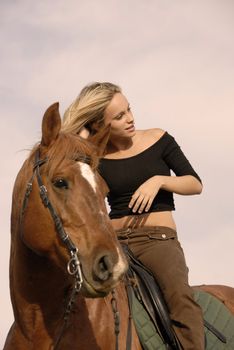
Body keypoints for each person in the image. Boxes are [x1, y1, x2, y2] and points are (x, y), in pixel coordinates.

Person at [62, 82, 205, 349]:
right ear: (101, 126)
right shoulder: (96, 156)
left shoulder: (158, 139)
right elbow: (67, 166)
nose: (130, 118)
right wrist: (84, 134)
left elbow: (194, 183)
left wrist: (159, 181)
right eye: (119, 116)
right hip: (114, 243)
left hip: (157, 241)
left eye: (128, 109)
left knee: (181, 299)